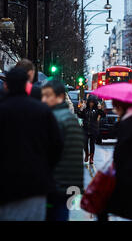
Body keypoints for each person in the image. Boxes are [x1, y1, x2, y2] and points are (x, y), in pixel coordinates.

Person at [0, 68, 62, 221]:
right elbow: (57, 145)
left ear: (6, 86)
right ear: (27, 85)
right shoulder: (42, 111)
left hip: (5, 186)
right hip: (36, 185)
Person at [41, 80, 84, 221]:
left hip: (54, 184)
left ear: (59, 97)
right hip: (70, 185)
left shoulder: (54, 119)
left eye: (48, 95)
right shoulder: (72, 119)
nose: (44, 99)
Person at [77, 96, 105, 164]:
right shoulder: (85, 109)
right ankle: (87, 154)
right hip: (85, 128)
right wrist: (81, 109)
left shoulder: (97, 109)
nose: (91, 104)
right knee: (85, 142)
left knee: (92, 144)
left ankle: (91, 158)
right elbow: (80, 115)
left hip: (93, 128)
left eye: (92, 102)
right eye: (90, 102)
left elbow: (103, 115)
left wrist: (100, 109)